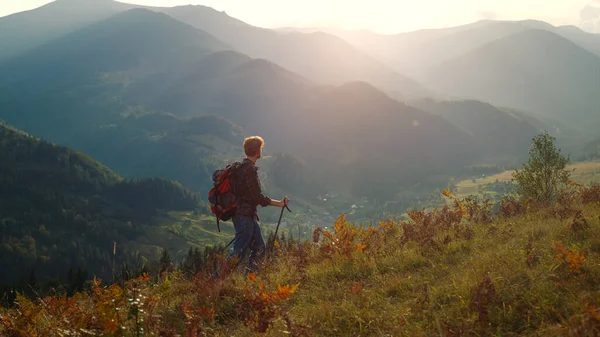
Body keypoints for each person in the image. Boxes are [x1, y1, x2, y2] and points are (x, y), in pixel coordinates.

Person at [228, 136, 289, 273]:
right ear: (257, 151)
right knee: (238, 253)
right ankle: (217, 281)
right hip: (244, 217)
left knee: (259, 248)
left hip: (245, 216)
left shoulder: (240, 167)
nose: (262, 150)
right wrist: (279, 203)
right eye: (261, 148)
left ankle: (250, 280)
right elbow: (257, 197)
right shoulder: (249, 169)